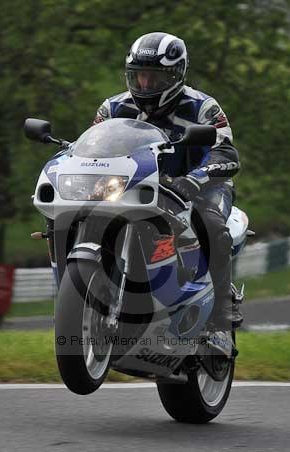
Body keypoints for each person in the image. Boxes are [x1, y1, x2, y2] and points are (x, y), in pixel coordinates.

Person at [93, 31, 242, 355]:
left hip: (200, 187)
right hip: (136, 187)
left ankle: (220, 318)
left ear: (176, 75)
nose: (145, 85)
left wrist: (193, 180)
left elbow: (226, 156)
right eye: (139, 76)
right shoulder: (113, 107)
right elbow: (91, 150)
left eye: (154, 77)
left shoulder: (204, 108)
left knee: (210, 223)